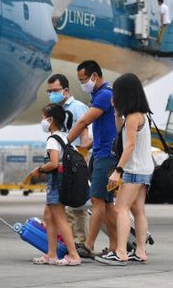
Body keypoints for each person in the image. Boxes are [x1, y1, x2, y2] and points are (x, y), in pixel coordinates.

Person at [95, 73, 153, 266]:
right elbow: (121, 133)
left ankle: (120, 252)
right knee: (138, 210)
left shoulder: (132, 117)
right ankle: (140, 251)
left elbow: (128, 146)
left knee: (121, 208)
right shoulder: (142, 115)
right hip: (145, 169)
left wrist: (118, 170)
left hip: (133, 169)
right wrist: (116, 112)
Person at [64, 60, 118, 259]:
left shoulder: (104, 94)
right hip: (101, 151)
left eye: (84, 79)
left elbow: (85, 120)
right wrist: (90, 143)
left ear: (95, 76)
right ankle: (116, 246)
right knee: (107, 204)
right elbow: (107, 128)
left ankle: (88, 245)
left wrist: (65, 140)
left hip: (105, 156)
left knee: (96, 200)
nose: (82, 84)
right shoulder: (101, 94)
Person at [29, 104, 81, 266]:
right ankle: (51, 254)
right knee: (49, 217)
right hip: (63, 181)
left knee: (59, 219)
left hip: (56, 182)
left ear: (50, 120)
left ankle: (74, 255)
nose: (42, 121)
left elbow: (53, 163)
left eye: (43, 117)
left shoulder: (52, 140)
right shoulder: (65, 137)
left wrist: (38, 170)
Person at [46, 74, 91, 250]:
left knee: (76, 203)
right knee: (62, 203)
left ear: (66, 90)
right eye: (49, 91)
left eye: (55, 91)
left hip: (74, 160)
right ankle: (68, 241)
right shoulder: (54, 109)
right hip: (60, 160)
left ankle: (80, 242)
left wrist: (81, 154)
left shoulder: (78, 108)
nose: (52, 94)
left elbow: (85, 135)